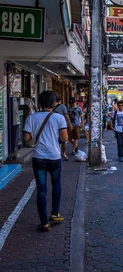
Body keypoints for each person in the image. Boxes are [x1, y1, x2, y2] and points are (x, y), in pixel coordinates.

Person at [23, 91, 69, 232]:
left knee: (41, 190)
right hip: (54, 157)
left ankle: (44, 223)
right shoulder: (59, 117)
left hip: (38, 158)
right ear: (54, 103)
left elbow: (27, 139)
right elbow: (65, 138)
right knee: (56, 185)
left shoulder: (31, 118)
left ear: (40, 103)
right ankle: (55, 214)